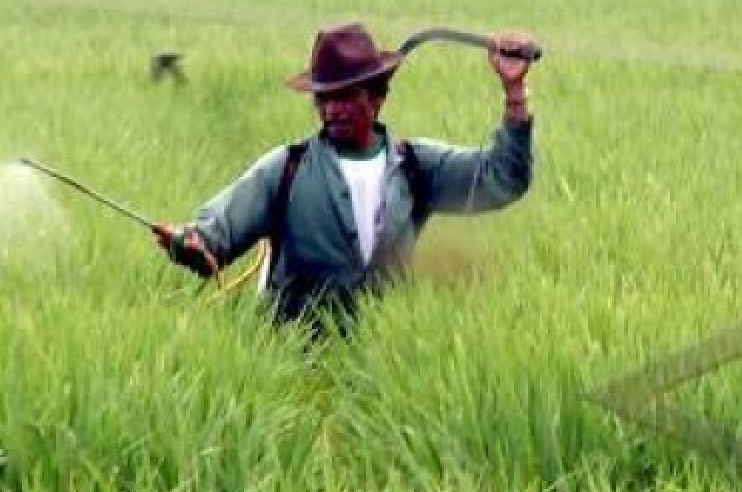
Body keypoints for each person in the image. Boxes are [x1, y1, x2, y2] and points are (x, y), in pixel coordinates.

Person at [155, 21, 535, 331]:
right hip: (295, 370)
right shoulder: (287, 168)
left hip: (383, 369)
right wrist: (187, 242)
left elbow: (501, 179)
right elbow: (214, 238)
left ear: (377, 98)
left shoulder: (416, 167)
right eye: (324, 98)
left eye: (345, 96)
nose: (332, 110)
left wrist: (514, 90)